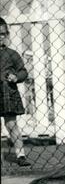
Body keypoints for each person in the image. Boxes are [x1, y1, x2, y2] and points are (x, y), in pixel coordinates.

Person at [0, 17, 31, 167]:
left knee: (11, 124)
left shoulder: (12, 54)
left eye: (3, 34)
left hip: (7, 92)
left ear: (7, 35)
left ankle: (21, 155)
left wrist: (16, 77)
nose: (0, 37)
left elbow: (23, 72)